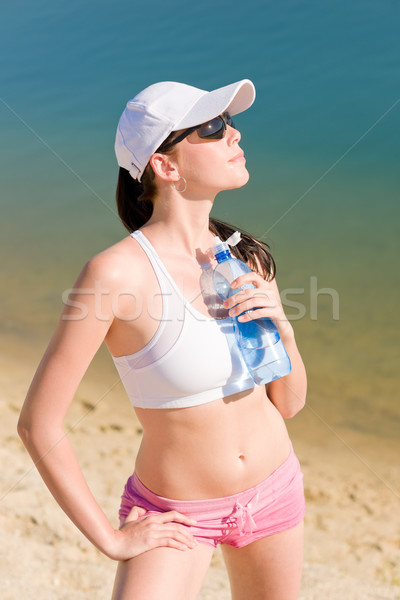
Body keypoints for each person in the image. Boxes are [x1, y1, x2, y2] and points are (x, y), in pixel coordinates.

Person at [18, 79, 307, 600]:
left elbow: (287, 404)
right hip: (176, 516)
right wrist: (110, 538)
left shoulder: (248, 258)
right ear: (165, 166)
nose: (234, 135)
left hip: (275, 492)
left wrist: (282, 327)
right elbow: (38, 425)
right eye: (213, 128)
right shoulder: (113, 275)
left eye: (230, 124)